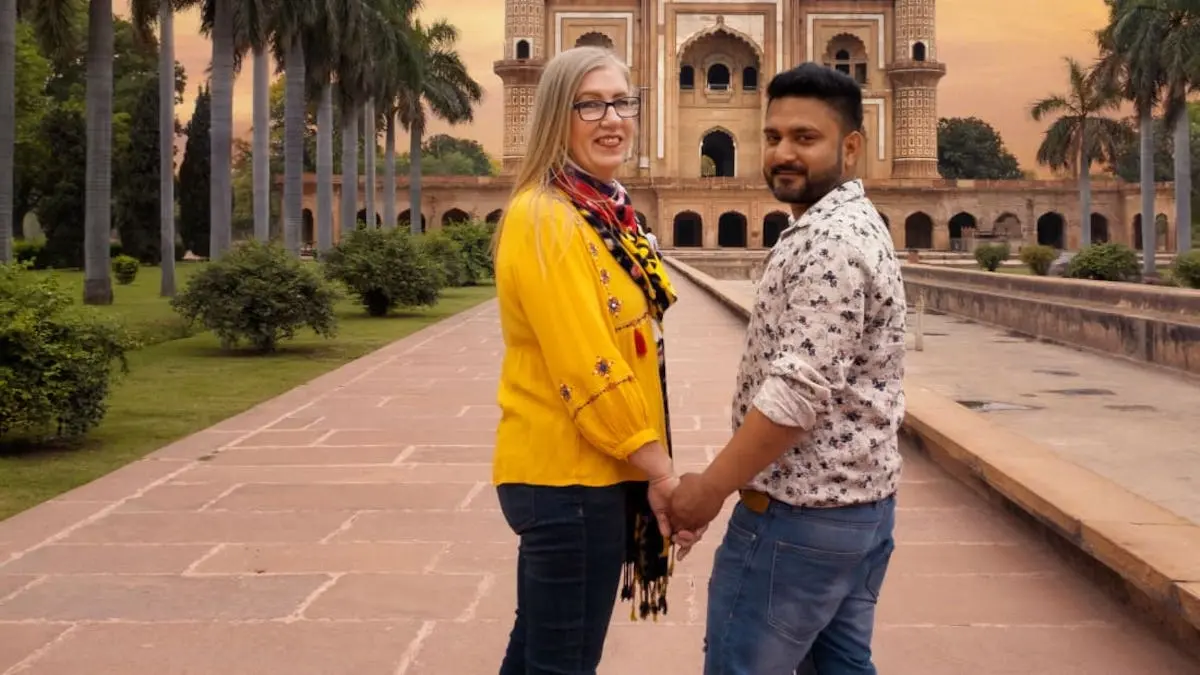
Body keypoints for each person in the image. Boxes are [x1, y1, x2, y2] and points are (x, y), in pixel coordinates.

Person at [667, 63, 907, 674]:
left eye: (805, 138)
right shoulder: (854, 224)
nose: (782, 153)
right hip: (860, 509)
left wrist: (709, 490)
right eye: (773, 137)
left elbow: (797, 394)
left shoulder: (828, 240)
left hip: (799, 519)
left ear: (850, 147)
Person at [490, 45, 698, 674]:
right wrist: (661, 474)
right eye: (590, 105)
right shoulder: (548, 217)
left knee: (540, 656)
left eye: (622, 102)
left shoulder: (605, 213)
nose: (612, 119)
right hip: (569, 478)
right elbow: (589, 365)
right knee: (564, 662)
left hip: (586, 477)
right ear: (557, 115)